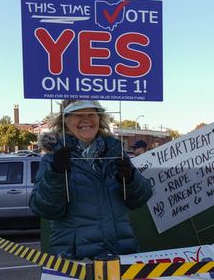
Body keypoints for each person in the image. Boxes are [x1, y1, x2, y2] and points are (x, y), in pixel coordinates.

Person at [29, 100, 153, 260]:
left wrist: (130, 179)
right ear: (65, 121)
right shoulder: (53, 158)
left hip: (122, 254)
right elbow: (44, 209)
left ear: (99, 119)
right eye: (78, 115)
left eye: (91, 114)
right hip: (76, 260)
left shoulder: (115, 152)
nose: (85, 119)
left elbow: (140, 199)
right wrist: (56, 174)